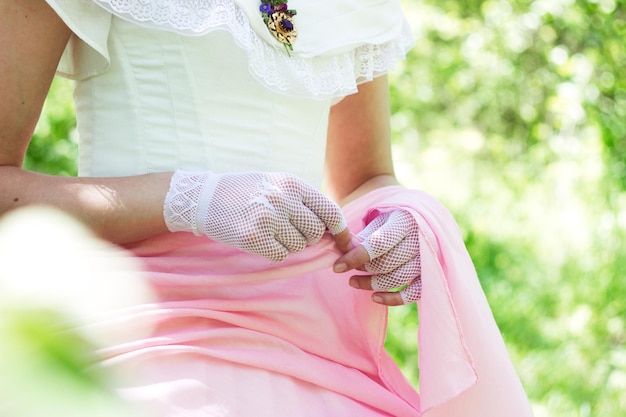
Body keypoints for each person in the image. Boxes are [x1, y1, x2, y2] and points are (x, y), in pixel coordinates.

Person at [0, 0, 534, 416]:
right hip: (140, 322)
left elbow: (367, 177)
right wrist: (190, 199)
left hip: (315, 343)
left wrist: (398, 220)